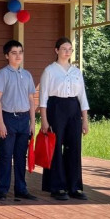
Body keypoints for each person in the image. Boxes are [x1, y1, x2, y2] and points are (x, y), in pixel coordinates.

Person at [39, 37, 90, 201]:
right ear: (56, 50)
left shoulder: (76, 71)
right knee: (55, 146)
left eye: (70, 49)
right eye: (64, 49)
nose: (67, 52)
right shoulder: (49, 70)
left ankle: (74, 186)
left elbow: (82, 96)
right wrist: (44, 120)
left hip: (73, 108)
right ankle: (57, 187)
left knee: (74, 147)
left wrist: (85, 120)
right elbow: (43, 97)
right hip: (56, 108)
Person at [0, 40, 37, 202]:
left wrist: (33, 123)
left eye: (20, 52)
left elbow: (31, 99)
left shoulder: (27, 74)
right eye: (14, 53)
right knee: (5, 155)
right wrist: (0, 123)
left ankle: (21, 189)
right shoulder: (2, 74)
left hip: (24, 119)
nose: (18, 56)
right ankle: (3, 189)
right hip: (8, 118)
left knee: (20, 156)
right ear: (6, 55)